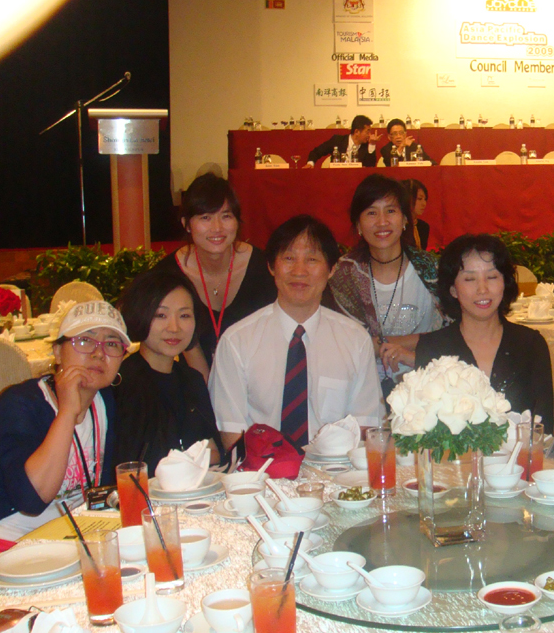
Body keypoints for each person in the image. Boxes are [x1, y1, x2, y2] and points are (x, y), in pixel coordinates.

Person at [0, 302, 128, 624]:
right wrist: (67, 411)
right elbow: (33, 500)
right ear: (58, 352)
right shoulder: (19, 405)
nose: (98, 353)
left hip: (52, 549)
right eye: (84, 340)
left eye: (112, 344)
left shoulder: (104, 403)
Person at [209, 215, 381, 454]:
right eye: (289, 258)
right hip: (261, 472)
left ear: (331, 269)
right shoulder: (237, 340)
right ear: (271, 266)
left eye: (312, 259)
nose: (299, 271)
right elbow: (231, 431)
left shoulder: (355, 340)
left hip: (336, 472)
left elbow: (366, 424)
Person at [415, 234, 554, 430]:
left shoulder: (531, 345)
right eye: (470, 279)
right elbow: (424, 429)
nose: (482, 289)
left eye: (492, 277)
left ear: (505, 282)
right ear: (453, 289)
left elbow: (544, 428)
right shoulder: (432, 348)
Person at [326, 175, 445, 392]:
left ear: (405, 219)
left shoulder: (430, 270)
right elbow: (346, 343)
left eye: (390, 211)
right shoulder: (344, 274)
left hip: (428, 388)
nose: (382, 222)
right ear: (358, 223)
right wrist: (409, 341)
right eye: (371, 213)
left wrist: (384, 344)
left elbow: (452, 334)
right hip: (360, 389)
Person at [152, 173, 276, 380]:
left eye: (226, 216)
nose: (217, 228)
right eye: (205, 218)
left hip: (260, 378)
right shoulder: (168, 275)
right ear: (186, 224)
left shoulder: (265, 268)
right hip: (192, 382)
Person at [114, 268, 224, 473]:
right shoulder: (123, 383)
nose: (174, 328)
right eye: (161, 315)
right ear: (140, 315)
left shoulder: (191, 380)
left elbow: (216, 453)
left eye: (184, 315)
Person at [304, 114, 378, 167]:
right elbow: (316, 152)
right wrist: (310, 163)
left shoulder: (367, 146)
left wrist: (372, 144)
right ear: (356, 132)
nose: (369, 135)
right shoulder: (338, 141)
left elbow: (370, 168)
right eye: (367, 131)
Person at [403, 178, 430, 250]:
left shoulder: (423, 227)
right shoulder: (398, 226)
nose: (424, 203)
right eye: (420, 199)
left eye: (425, 199)